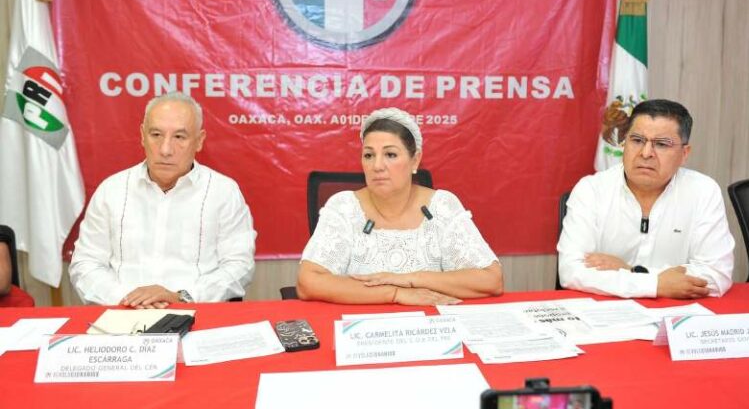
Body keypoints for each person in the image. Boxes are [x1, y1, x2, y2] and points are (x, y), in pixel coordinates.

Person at [297, 107, 503, 305]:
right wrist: (396, 293)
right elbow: (308, 282)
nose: (377, 166)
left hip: (428, 323)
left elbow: (491, 280)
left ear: (415, 160)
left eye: (390, 155)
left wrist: (410, 279)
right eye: (369, 155)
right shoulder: (344, 206)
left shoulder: (441, 206)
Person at [70, 92, 256, 307]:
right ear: (142, 135)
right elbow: (86, 264)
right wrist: (128, 299)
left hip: (196, 312)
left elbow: (238, 266)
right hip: (123, 313)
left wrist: (182, 297)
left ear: (199, 141)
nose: (165, 150)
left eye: (179, 137)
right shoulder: (111, 190)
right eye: (156, 134)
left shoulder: (223, 191)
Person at [557, 99, 734, 299]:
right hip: (606, 311)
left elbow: (717, 275)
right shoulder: (592, 190)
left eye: (661, 144)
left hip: (676, 312)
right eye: (637, 140)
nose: (646, 153)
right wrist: (657, 284)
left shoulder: (703, 191)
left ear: (684, 154)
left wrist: (633, 271)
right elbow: (571, 271)